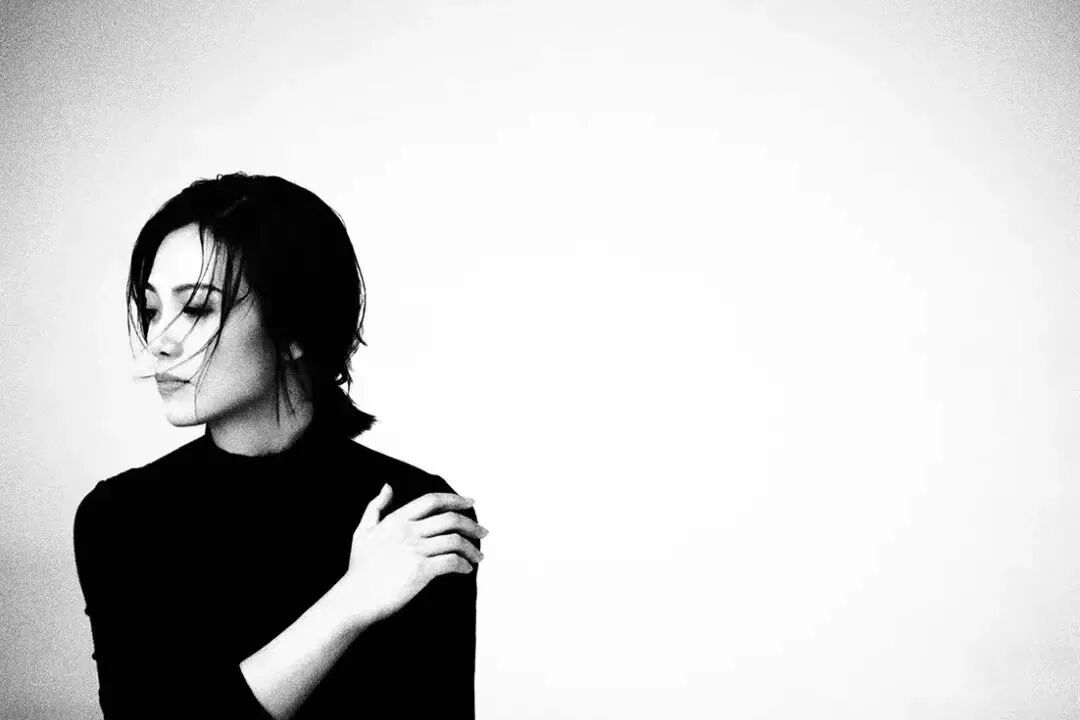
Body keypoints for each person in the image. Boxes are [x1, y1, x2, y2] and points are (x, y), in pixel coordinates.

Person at [72, 173, 487, 719]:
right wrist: (352, 602)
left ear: (295, 326)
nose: (159, 342)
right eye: (151, 310)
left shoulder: (412, 516)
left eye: (195, 309)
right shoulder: (122, 518)